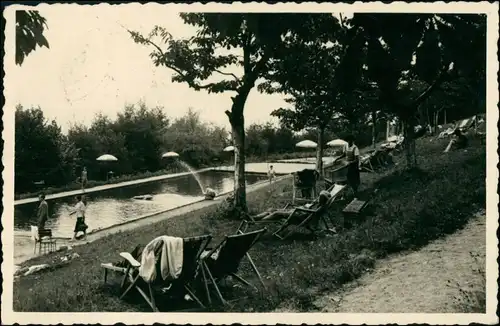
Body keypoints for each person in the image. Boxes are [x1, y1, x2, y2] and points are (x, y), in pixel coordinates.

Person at [251, 190, 332, 225]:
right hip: (297, 211)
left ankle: (257, 222)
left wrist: (303, 208)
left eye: (320, 197)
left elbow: (310, 213)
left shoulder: (320, 207)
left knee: (276, 213)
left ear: (323, 199)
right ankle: (255, 218)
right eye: (319, 196)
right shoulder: (317, 203)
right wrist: (309, 204)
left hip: (299, 216)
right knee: (271, 209)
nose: (318, 197)